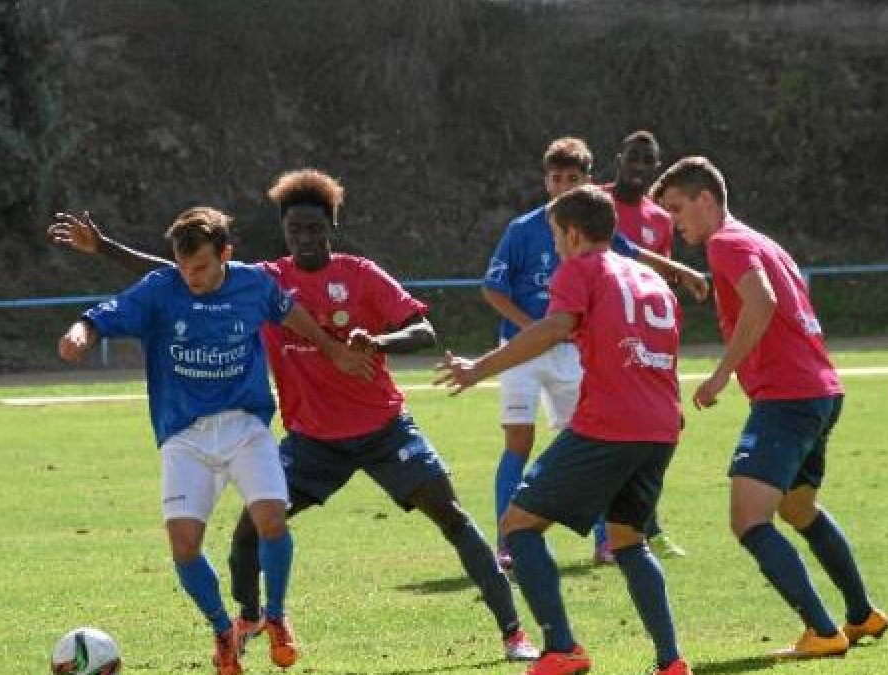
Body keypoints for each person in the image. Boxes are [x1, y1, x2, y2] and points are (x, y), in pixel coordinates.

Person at [48, 170, 542, 666]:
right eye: (295, 229)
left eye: (315, 228)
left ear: (331, 227)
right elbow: (184, 273)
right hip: (312, 443)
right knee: (248, 535)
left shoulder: (360, 274)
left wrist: (377, 342)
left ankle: (514, 632)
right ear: (283, 230)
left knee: (451, 516)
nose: (305, 237)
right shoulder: (265, 279)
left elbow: (424, 330)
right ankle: (250, 619)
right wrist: (105, 248)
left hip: (384, 430)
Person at [56, 207, 373, 675]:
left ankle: (276, 618)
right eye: (183, 266)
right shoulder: (161, 289)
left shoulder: (254, 285)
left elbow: (292, 314)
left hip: (245, 427)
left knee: (271, 518)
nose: (191, 277)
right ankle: (224, 631)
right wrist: (78, 335)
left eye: (201, 266)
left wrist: (332, 350)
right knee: (184, 545)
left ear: (226, 255)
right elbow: (101, 316)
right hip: (185, 437)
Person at [439, 184, 693, 675]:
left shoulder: (580, 269)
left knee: (518, 525)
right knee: (628, 539)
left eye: (557, 235)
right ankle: (670, 661)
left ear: (574, 234)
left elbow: (554, 327)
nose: (555, 246)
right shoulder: (649, 277)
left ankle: (561, 648)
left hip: (609, 424)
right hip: (661, 426)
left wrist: (478, 368)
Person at [651, 157, 888, 659]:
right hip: (820, 390)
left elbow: (761, 303)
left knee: (749, 519)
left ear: (705, 199)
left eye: (676, 208)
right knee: (798, 508)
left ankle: (822, 631)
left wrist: (721, 374)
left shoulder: (725, 243)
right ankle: (861, 614)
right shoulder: (760, 241)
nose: (674, 222)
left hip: (788, 397)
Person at [483, 137, 705, 568]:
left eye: (573, 178)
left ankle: (607, 541)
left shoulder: (590, 228)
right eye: (556, 178)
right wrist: (533, 331)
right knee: (519, 441)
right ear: (546, 181)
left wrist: (680, 269)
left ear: (588, 181)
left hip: (571, 351)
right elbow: (494, 288)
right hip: (523, 350)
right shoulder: (522, 229)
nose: (563, 186)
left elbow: (633, 254)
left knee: (595, 440)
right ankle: (507, 544)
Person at [602, 129, 686, 558]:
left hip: (644, 340)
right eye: (633, 157)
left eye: (647, 160)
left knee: (656, 428)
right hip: (601, 334)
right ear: (619, 158)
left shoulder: (661, 219)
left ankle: (644, 526)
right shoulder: (595, 203)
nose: (638, 166)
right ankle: (617, 534)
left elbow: (660, 282)